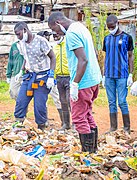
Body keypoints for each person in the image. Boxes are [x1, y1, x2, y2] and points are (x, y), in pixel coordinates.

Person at [48, 12, 102, 153]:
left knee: (78, 117)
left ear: (58, 22)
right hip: (93, 79)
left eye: (55, 30)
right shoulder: (81, 27)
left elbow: (83, 59)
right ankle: (93, 150)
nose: (57, 33)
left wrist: (75, 83)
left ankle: (87, 152)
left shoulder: (71, 34)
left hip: (83, 81)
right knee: (87, 113)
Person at [13, 22, 56, 131]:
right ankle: (19, 126)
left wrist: (51, 75)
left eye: (18, 34)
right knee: (21, 102)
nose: (18, 37)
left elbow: (52, 57)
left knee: (39, 105)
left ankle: (41, 128)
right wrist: (20, 71)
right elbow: (25, 58)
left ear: (25, 30)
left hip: (42, 77)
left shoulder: (41, 41)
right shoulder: (21, 43)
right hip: (29, 77)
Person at [102, 15, 134, 134]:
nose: (111, 29)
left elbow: (130, 56)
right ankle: (113, 127)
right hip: (109, 75)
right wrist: (104, 75)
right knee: (111, 102)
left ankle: (126, 127)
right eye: (109, 27)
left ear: (118, 23)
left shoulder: (127, 37)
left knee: (121, 101)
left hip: (122, 74)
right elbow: (106, 57)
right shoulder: (106, 39)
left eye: (113, 27)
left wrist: (131, 74)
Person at [37, 31, 63, 125]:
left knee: (57, 98)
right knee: (43, 100)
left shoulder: (52, 47)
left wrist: (52, 76)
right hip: (42, 78)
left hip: (52, 78)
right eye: (45, 36)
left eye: (47, 36)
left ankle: (64, 121)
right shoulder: (38, 50)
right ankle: (44, 120)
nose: (47, 38)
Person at [52, 33, 71, 130]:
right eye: (54, 37)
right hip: (59, 77)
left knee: (70, 100)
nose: (56, 38)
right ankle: (66, 124)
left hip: (69, 76)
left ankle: (76, 124)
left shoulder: (68, 45)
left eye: (57, 36)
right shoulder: (54, 48)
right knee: (62, 101)